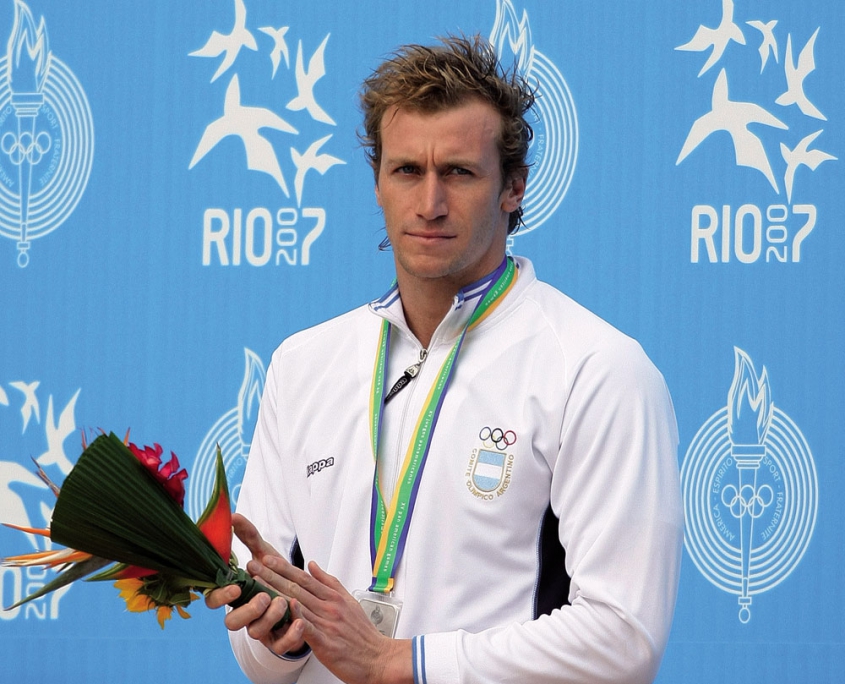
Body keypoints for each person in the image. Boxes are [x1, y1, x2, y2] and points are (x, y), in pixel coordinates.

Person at [207, 34, 684, 684]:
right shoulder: (303, 364)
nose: (429, 204)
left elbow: (622, 640)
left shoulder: (596, 369)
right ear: (378, 181)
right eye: (407, 170)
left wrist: (400, 661)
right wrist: (281, 636)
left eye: (458, 172)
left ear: (513, 187)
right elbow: (262, 663)